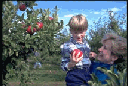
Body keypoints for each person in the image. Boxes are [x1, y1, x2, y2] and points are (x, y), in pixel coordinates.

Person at [60, 14, 91, 86]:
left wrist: (90, 56)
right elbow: (63, 65)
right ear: (71, 31)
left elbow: (86, 59)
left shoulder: (86, 44)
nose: (78, 35)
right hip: (75, 75)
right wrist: (72, 63)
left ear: (86, 30)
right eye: (75, 32)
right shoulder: (67, 46)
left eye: (81, 32)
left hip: (88, 73)